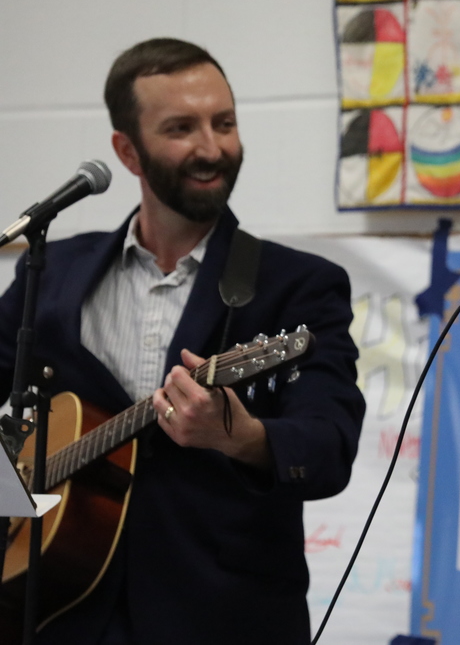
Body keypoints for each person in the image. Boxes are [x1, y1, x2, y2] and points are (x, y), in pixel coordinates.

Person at [0, 38, 365, 644]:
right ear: (128, 151)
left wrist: (244, 437)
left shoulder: (298, 287)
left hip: (221, 620)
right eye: (181, 127)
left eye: (224, 123)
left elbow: (329, 446)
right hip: (53, 613)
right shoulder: (53, 272)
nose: (211, 147)